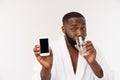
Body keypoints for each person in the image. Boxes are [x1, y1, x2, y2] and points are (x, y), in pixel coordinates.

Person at [33, 12, 113, 80]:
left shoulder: (92, 49)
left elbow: (109, 78)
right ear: (63, 30)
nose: (80, 33)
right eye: (74, 29)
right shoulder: (50, 50)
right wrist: (46, 69)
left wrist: (93, 63)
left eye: (83, 28)